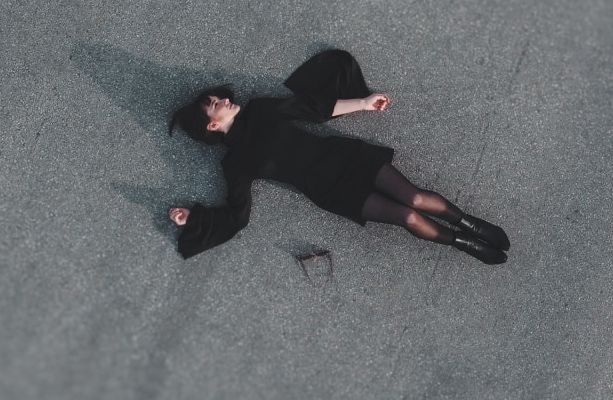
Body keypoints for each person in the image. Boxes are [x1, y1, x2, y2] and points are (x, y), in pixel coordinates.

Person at [165, 49, 510, 265]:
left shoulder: (259, 110)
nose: (225, 100)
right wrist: (192, 218)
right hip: (329, 192)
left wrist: (362, 103)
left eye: (219, 98)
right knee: (407, 218)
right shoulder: (235, 163)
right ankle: (464, 244)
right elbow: (236, 215)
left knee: (417, 197)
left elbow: (310, 108)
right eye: (216, 104)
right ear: (212, 125)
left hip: (345, 158)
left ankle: (469, 223)